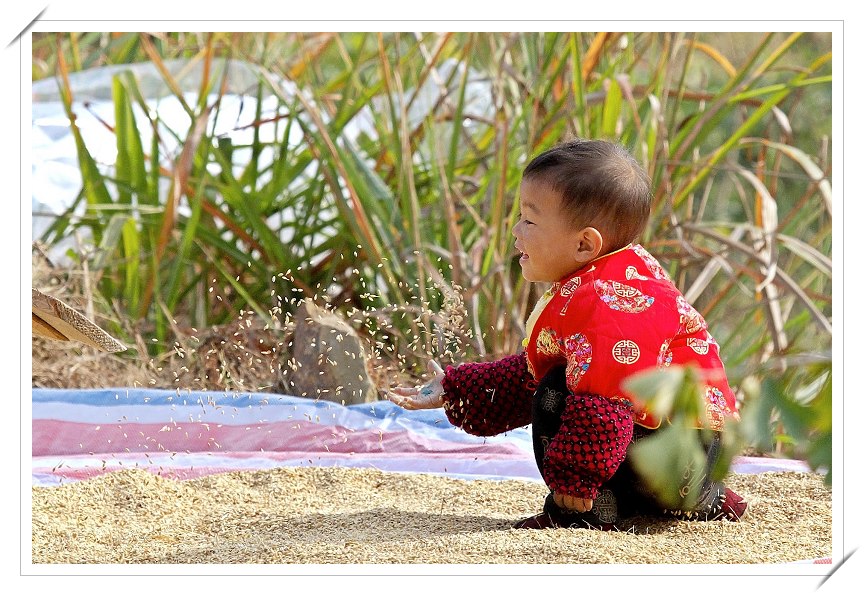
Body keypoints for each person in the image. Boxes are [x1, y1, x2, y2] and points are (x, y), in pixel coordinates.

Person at [388, 138, 748, 530]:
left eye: (529, 220)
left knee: (556, 390)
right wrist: (456, 389)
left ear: (583, 243)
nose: (515, 230)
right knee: (561, 380)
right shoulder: (618, 273)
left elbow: (606, 400)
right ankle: (700, 500)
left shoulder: (608, 302)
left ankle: (588, 511)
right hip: (690, 457)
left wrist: (576, 480)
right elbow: (529, 373)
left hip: (676, 457)